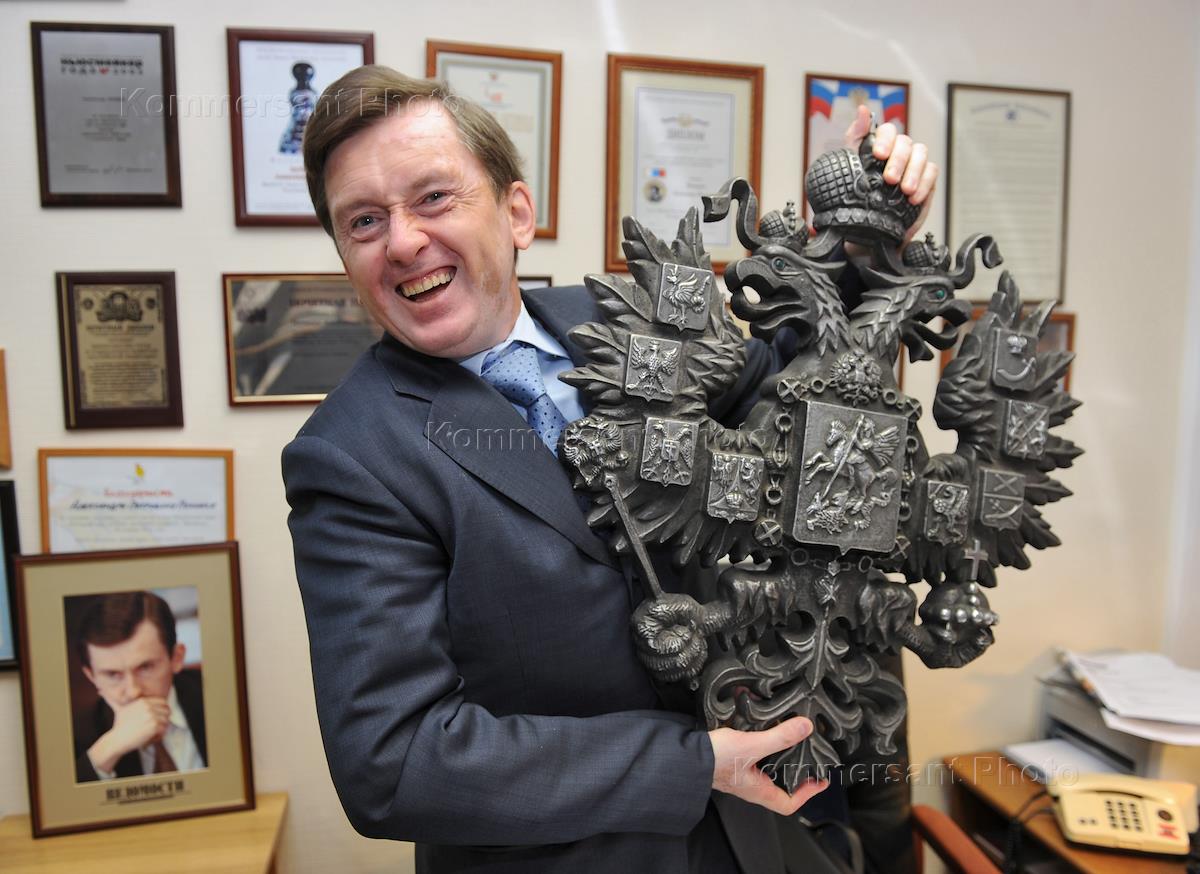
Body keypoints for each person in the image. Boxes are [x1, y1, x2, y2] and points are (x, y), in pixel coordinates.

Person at [283, 66, 935, 873]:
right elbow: (397, 761)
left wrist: (865, 250)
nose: (404, 241)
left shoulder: (633, 319)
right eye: (364, 221)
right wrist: (692, 765)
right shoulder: (350, 456)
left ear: (516, 213)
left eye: (434, 197)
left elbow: (792, 397)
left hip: (767, 840)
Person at [73, 591, 206, 783]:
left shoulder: (218, 697)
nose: (133, 691)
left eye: (145, 667)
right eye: (112, 675)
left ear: (176, 658)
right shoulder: (78, 735)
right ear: (91, 677)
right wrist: (109, 748)